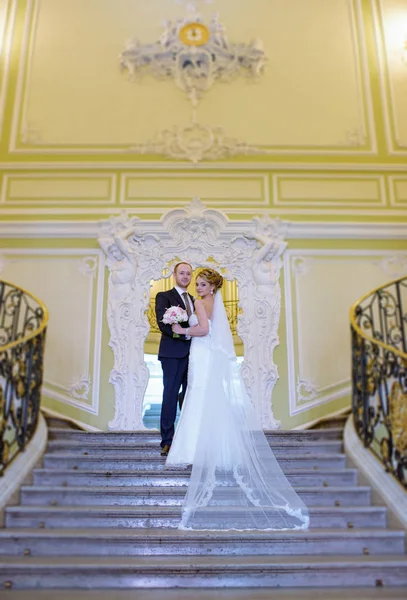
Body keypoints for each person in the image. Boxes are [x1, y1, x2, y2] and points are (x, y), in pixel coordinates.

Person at [167, 268, 309, 532]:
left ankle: (193, 448)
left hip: (202, 352)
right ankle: (215, 448)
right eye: (197, 284)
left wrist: (181, 329)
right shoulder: (212, 303)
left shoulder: (200, 302)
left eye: (202, 284)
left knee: (198, 396)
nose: (198, 287)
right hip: (209, 355)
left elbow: (204, 330)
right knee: (207, 397)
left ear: (211, 287)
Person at [155, 262, 194, 457]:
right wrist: (184, 335)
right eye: (182, 273)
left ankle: (187, 439)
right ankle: (167, 441)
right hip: (172, 353)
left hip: (194, 355)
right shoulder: (164, 296)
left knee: (189, 397)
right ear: (175, 275)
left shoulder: (194, 300)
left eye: (188, 274)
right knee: (170, 395)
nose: (185, 276)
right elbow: (163, 323)